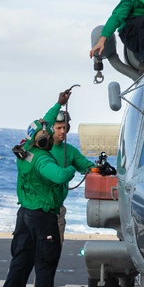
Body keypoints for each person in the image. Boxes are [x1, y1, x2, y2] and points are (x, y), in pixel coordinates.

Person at [0, 95, 81, 287]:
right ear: (44, 138)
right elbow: (60, 175)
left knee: (21, 261)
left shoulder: (25, 149)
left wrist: (59, 102)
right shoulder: (42, 160)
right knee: (46, 261)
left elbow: (42, 122)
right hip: (43, 216)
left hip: (24, 214)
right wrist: (70, 169)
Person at [41, 88, 96, 244]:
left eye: (65, 128)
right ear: (52, 128)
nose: (62, 131)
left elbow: (87, 167)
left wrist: (99, 169)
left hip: (58, 211)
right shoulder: (41, 149)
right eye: (59, 128)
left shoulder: (70, 151)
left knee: (55, 249)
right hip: (38, 210)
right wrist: (59, 103)